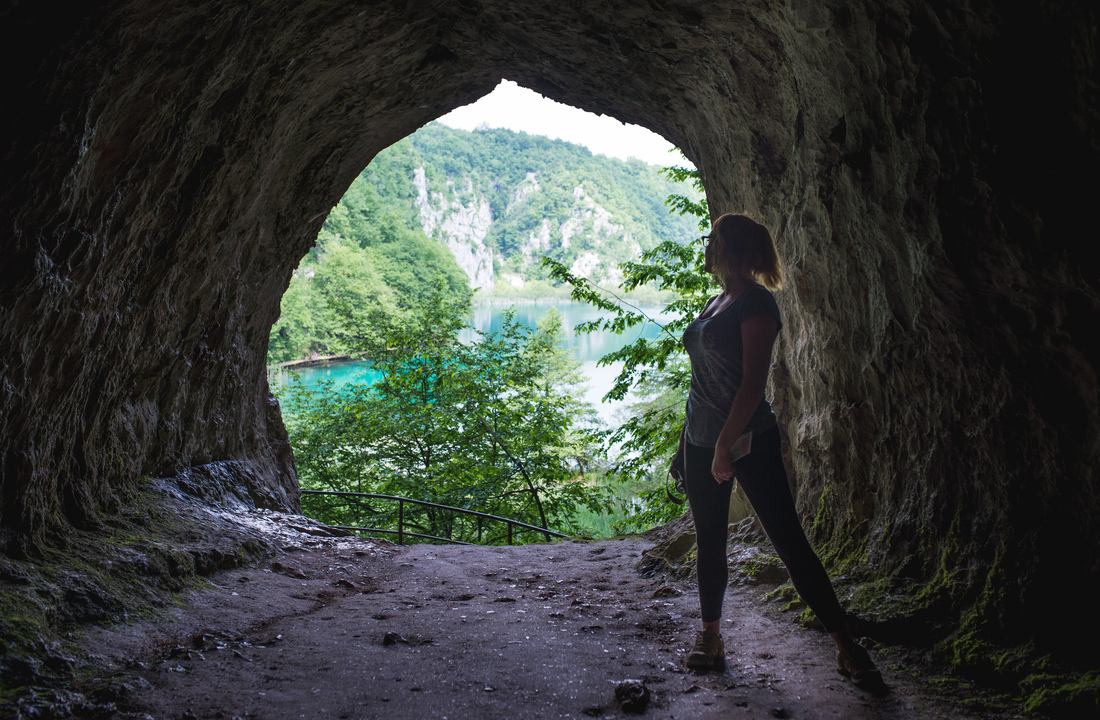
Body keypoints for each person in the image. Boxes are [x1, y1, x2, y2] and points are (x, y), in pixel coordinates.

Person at [669, 212, 882, 689]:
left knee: (788, 540)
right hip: (700, 439)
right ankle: (710, 638)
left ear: (731, 248)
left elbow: (752, 385)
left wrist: (724, 445)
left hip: (748, 440)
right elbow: (702, 383)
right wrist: (687, 442)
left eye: (713, 239)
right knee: (710, 542)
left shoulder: (757, 303)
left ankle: (847, 646)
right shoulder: (716, 302)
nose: (707, 246)